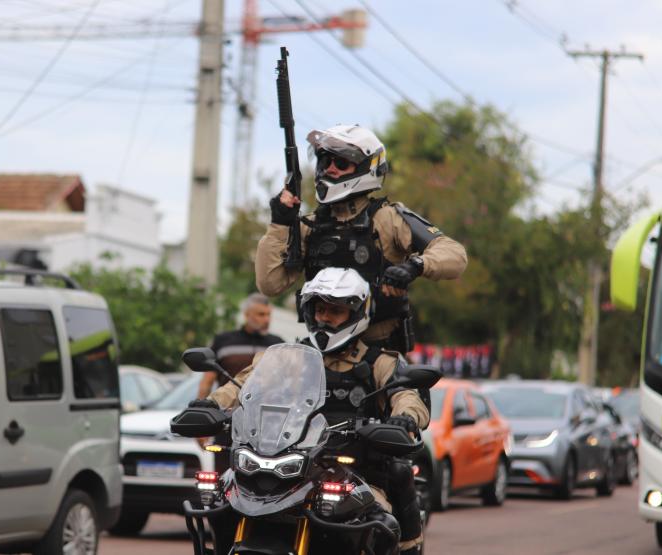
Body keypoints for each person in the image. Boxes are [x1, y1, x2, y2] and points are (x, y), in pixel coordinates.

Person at [203, 268, 429, 555]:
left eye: (335, 311)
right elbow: (243, 383)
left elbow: (407, 394)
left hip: (355, 470)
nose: (325, 317)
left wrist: (405, 417)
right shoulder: (288, 357)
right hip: (295, 464)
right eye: (320, 309)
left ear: (357, 314)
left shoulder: (380, 363)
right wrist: (211, 404)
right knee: (221, 498)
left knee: (395, 483)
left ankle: (410, 548)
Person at [256, 124, 468, 353]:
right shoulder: (309, 225)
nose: (330, 170)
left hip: (378, 356)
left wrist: (415, 266)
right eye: (325, 162)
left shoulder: (388, 219)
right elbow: (270, 284)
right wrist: (279, 224)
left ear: (367, 168)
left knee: (405, 389)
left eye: (341, 163)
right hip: (322, 356)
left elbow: (455, 254)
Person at [196, 293, 284, 399]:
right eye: (261, 314)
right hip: (227, 410)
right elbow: (207, 381)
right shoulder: (223, 341)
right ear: (247, 315)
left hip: (266, 411)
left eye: (268, 314)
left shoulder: (277, 344)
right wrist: (200, 406)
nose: (267, 320)